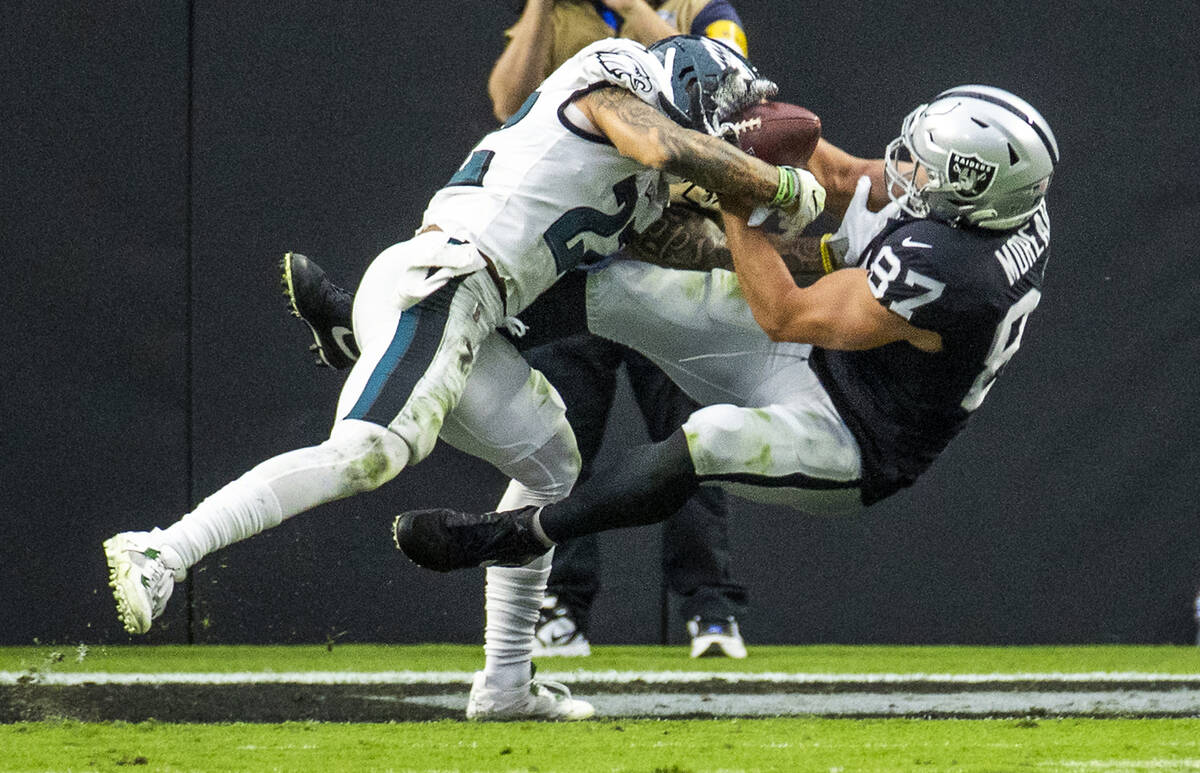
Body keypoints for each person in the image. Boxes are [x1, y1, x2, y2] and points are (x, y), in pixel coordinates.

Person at [102, 35, 824, 720]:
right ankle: (163, 548)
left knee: (552, 463)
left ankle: (506, 684)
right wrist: (775, 180)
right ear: (694, 83)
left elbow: (699, 250)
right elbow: (659, 140)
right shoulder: (615, 75)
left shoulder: (642, 188)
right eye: (729, 110)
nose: (735, 127)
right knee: (368, 453)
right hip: (443, 280)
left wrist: (829, 259)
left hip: (480, 314)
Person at [390, 87, 1060, 592]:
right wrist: (746, 115)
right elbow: (844, 178)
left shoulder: (951, 272)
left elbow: (785, 314)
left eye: (927, 168)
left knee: (710, 438)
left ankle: (516, 534)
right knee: (629, 289)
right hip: (836, 357)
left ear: (971, 193)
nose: (907, 169)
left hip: (855, 434)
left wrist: (733, 190)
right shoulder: (1000, 212)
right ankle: (420, 322)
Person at [295, 0, 752, 659]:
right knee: (565, 436)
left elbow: (718, 80)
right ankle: (561, 604)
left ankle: (709, 607)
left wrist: (631, 9)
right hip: (579, 245)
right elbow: (508, 97)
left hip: (669, 233)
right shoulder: (560, 14)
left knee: (693, 435)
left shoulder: (700, 8)